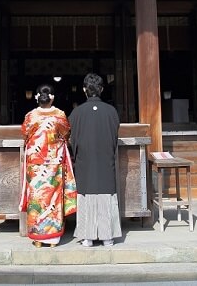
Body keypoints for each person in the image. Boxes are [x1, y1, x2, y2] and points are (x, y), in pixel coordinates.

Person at [19, 83, 77, 248]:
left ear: (37, 97)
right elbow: (66, 133)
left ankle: (38, 238)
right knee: (53, 197)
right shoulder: (59, 115)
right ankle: (52, 239)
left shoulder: (31, 116)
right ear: (52, 97)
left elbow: (25, 134)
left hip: (35, 164)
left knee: (36, 196)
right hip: (54, 163)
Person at [69, 72, 121, 247]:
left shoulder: (76, 113)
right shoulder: (111, 111)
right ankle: (108, 237)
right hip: (106, 161)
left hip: (85, 162)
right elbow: (114, 138)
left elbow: (73, 141)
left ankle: (87, 237)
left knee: (87, 197)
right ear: (101, 89)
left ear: (84, 90)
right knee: (106, 196)